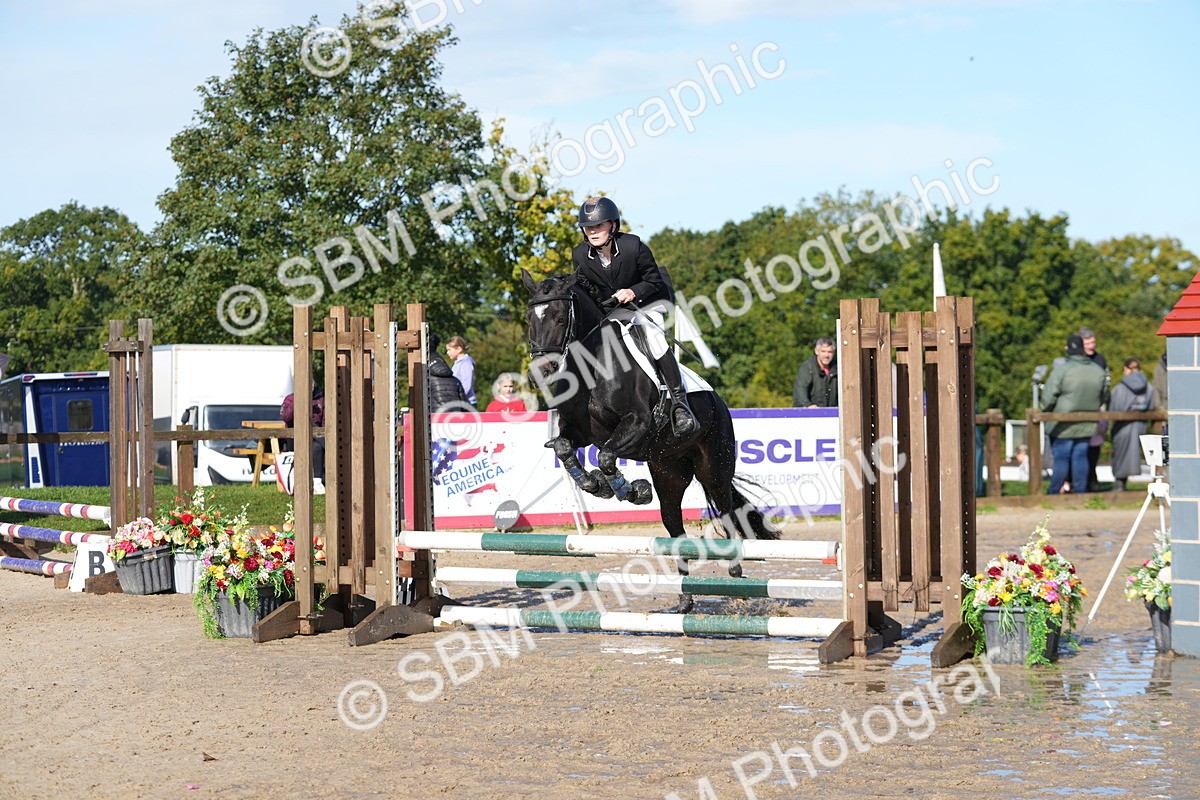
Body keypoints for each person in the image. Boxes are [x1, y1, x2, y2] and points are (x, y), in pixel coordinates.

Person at [571, 195, 698, 437]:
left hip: (647, 302)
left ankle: (681, 405)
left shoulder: (634, 246)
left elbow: (654, 280)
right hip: (612, 309)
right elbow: (586, 288)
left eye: (598, 225)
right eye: (588, 228)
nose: (593, 231)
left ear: (613, 225)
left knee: (655, 340)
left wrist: (633, 291)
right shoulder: (579, 255)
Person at [1041, 334, 1107, 495]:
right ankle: (1080, 492)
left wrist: (1047, 411)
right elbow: (1103, 396)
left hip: (1061, 422)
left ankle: (1053, 492)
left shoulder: (1062, 370)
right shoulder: (1097, 371)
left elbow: (1048, 397)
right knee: (1081, 456)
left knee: (1061, 458)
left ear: (1067, 349)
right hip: (1087, 421)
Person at [1109, 358, 1158, 490]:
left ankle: (1120, 484)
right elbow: (1153, 405)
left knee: (1120, 453)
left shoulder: (1120, 388)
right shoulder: (1149, 387)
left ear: (1126, 369)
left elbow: (1113, 409)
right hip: (1141, 425)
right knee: (1136, 452)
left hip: (1122, 426)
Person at [1079, 326, 1110, 491]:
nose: (1091, 346)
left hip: (1096, 406)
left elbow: (1106, 383)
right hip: (1081, 407)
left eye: (1093, 342)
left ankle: (1092, 478)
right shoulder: (1076, 360)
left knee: (1094, 445)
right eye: (1088, 342)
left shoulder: (1100, 359)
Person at [280, 387, 325, 486]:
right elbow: (286, 417)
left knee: (317, 445)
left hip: (317, 436)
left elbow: (325, 423)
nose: (310, 385)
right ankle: (317, 481)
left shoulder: (321, 400)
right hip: (295, 437)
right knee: (321, 443)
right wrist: (299, 399)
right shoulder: (290, 398)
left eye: (312, 383)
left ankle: (317, 481)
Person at [792, 337, 838, 407]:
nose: (826, 355)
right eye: (823, 351)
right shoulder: (807, 368)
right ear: (816, 351)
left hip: (833, 414)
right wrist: (808, 405)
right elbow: (800, 391)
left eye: (830, 352)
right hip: (811, 414)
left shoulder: (838, 368)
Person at [427, 333, 468, 410]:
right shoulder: (454, 378)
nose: (447, 353)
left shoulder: (465, 364)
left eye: (449, 350)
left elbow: (467, 386)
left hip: (436, 417)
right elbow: (464, 405)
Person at [445, 336, 476, 406]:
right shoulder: (458, 363)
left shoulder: (466, 363)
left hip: (467, 402)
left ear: (459, 349)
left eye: (449, 350)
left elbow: (467, 384)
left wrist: (458, 397)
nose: (447, 352)